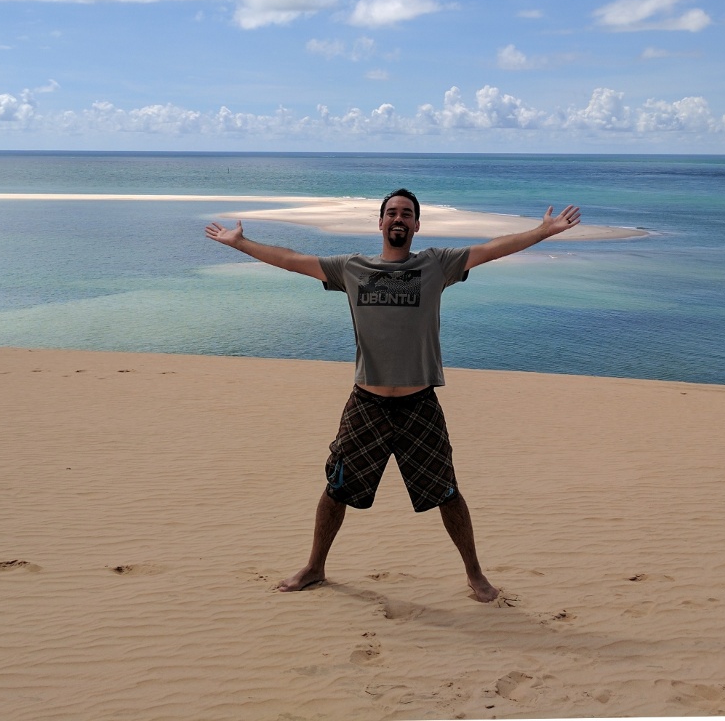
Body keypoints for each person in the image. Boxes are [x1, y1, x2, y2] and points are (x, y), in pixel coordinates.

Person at [205, 189, 580, 602]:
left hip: (419, 404)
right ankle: (314, 566)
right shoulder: (352, 268)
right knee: (337, 488)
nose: (398, 219)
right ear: (380, 222)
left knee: (447, 492)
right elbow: (292, 260)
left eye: (406, 214)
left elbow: (491, 250)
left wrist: (543, 231)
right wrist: (240, 243)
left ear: (417, 225)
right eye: (391, 213)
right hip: (367, 403)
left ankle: (475, 575)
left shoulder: (436, 264)